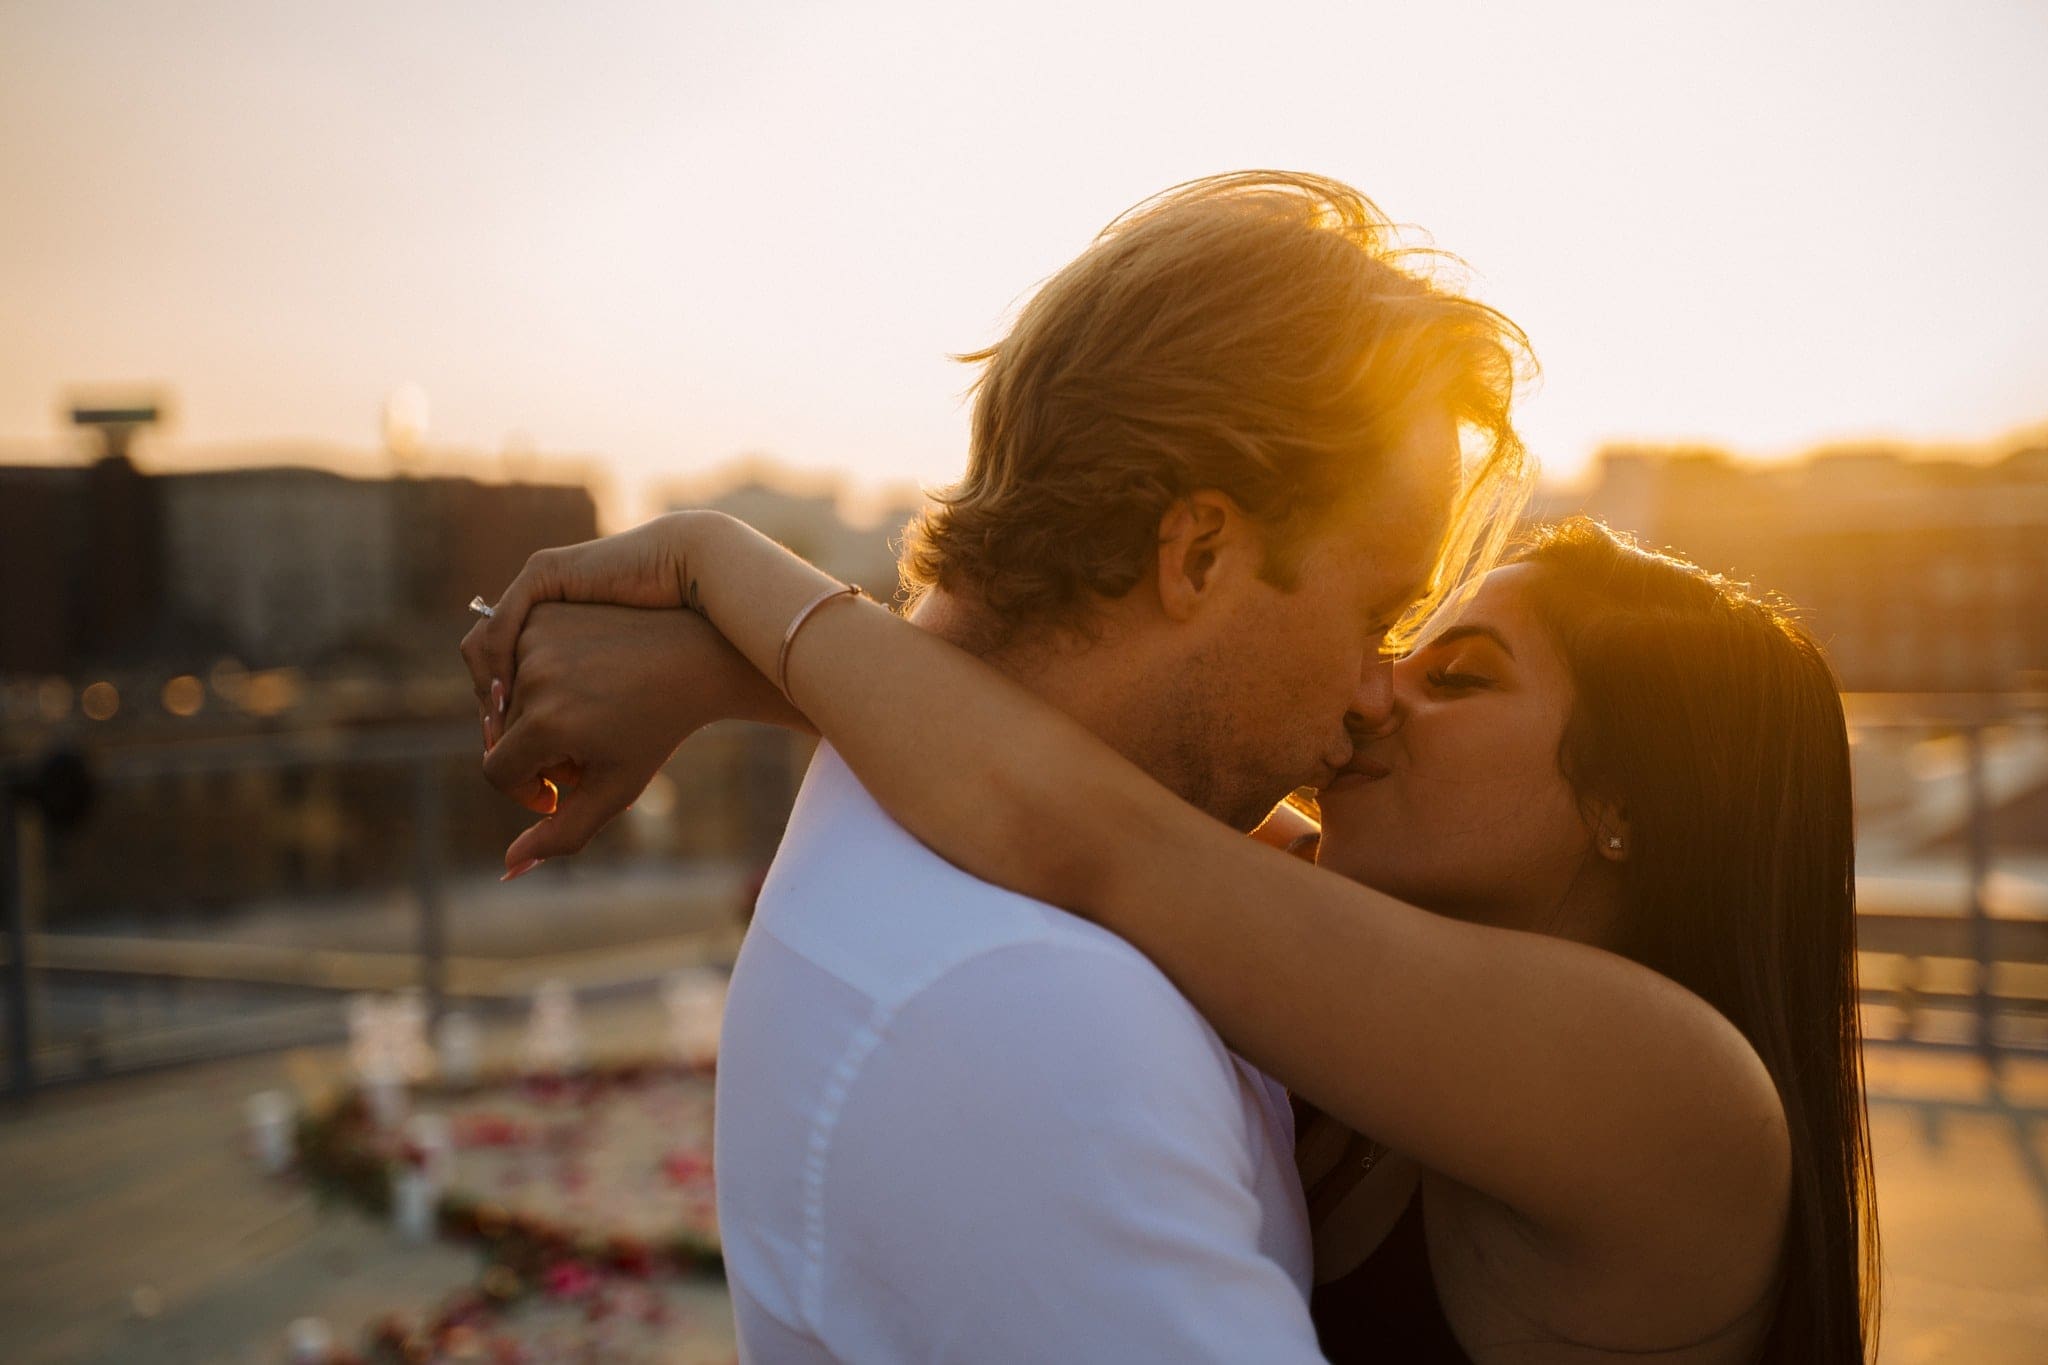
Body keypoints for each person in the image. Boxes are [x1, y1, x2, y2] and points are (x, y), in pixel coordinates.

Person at [464, 170, 1534, 1361]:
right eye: (1379, 616)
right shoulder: (1034, 1014)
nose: (1379, 690)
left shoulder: (930, 838)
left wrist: (730, 631)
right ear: (1199, 552)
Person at [465, 511, 1879, 1362]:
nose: (1376, 699)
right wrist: (734, 675)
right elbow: (1065, 755)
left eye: (1459, 676)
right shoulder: (1356, 947)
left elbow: (1075, 822)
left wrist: (720, 573)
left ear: (1629, 800)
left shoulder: (1677, 1089)